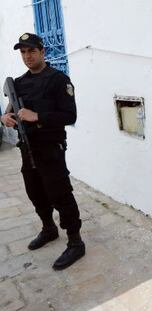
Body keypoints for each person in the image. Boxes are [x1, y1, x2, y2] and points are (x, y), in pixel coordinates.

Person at [0, 33, 85, 270]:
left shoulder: (59, 80)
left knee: (60, 193)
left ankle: (76, 242)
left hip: (51, 148)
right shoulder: (18, 82)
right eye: (23, 53)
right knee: (35, 191)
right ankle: (49, 228)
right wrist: (4, 117)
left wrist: (37, 116)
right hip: (27, 149)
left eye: (31, 51)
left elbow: (70, 116)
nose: (27, 57)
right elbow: (11, 109)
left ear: (42, 52)